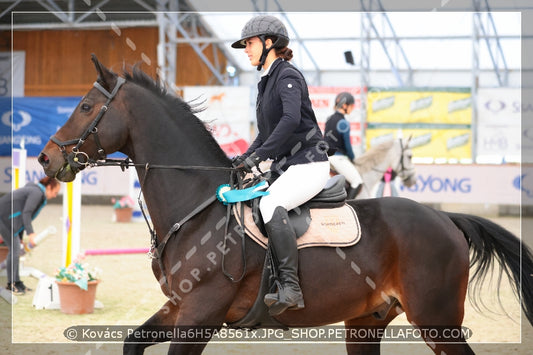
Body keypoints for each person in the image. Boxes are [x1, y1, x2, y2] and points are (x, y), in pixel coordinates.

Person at [231, 15, 330, 316]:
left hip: (309, 163)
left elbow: (290, 120)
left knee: (270, 205)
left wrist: (258, 159)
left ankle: (290, 286)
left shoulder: (288, 75)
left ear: (269, 42)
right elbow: (265, 132)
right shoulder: (266, 83)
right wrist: (244, 159)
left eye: (249, 43)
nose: (246, 49)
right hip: (288, 166)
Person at [0, 176, 61, 295]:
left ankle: (16, 282)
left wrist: (21, 237)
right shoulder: (36, 193)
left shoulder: (35, 191)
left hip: (6, 219)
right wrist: (31, 233)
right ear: (49, 187)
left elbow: (21, 216)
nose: (55, 195)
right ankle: (12, 283)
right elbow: (26, 213)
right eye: (55, 192)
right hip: (3, 218)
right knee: (15, 249)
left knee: (16, 249)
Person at [324, 92, 363, 199]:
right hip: (337, 157)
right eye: (351, 106)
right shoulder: (343, 122)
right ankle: (349, 207)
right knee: (357, 182)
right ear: (345, 105)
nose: (352, 108)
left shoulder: (329, 119)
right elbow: (347, 146)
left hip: (326, 157)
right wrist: (352, 158)